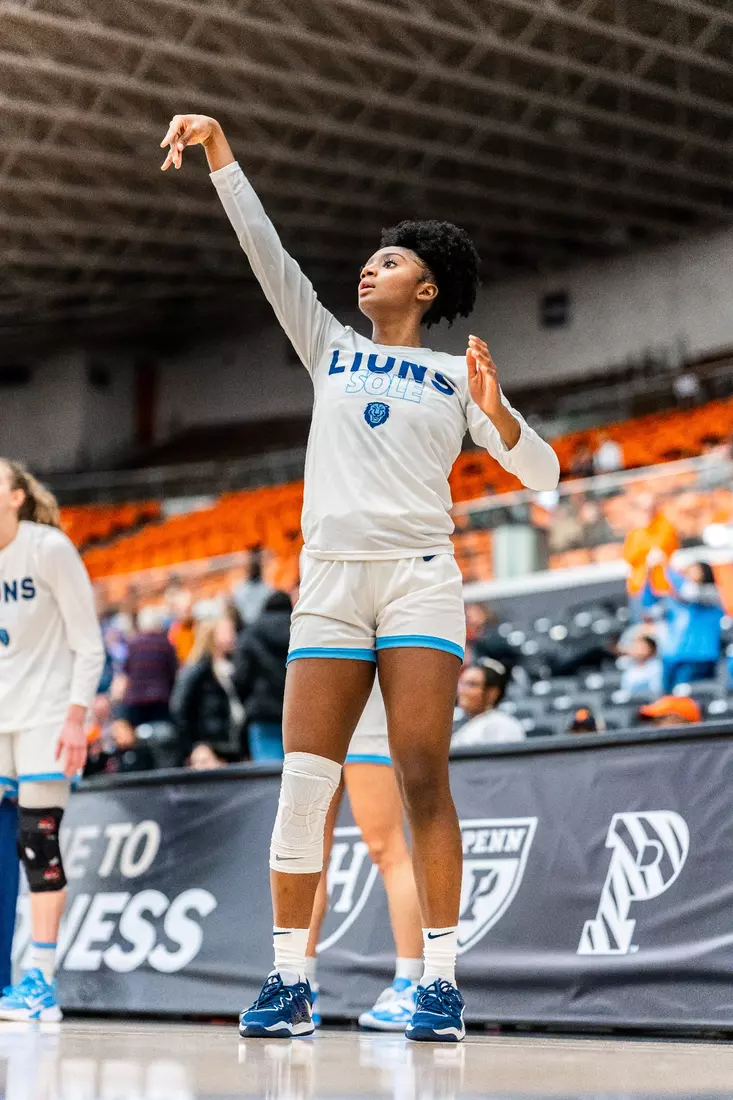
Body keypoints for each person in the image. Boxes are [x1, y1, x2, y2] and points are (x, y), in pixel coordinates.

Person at [161, 112, 558, 1043]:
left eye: (387, 263)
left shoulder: (459, 375)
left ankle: (442, 985)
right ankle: (289, 981)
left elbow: (541, 475)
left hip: (419, 580)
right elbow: (266, 251)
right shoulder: (330, 346)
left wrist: (498, 419)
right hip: (330, 583)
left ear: (425, 287)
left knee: (423, 772)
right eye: (366, 264)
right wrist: (220, 152)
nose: (367, 271)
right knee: (306, 779)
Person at [0, 459, 104, 1021]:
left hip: (45, 716)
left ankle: (41, 981)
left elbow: (89, 644)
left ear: (16, 496)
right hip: (2, 719)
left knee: (38, 844)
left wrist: (75, 719)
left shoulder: (49, 550)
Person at [306, 680, 423, 1032]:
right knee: (306, 850)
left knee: (386, 847)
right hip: (317, 681)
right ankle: (298, 981)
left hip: (366, 685)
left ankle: (410, 984)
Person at [173, 617, 245, 760]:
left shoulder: (232, 665)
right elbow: (179, 709)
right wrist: (193, 746)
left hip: (232, 745)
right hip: (210, 747)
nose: (233, 636)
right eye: (226, 631)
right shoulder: (198, 670)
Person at [234, 591, 292, 762]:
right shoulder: (302, 630)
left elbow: (240, 677)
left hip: (262, 714)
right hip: (298, 714)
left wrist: (248, 702)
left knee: (267, 778)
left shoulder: (251, 632)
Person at [651, 559, 724, 693]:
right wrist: (649, 573)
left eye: (695, 570)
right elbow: (650, 608)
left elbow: (690, 593)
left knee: (686, 700)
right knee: (667, 700)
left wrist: (664, 566)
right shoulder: (675, 599)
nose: (689, 573)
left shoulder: (711, 593)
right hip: (672, 656)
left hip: (698, 657)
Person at [119, 606, 178, 729]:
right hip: (160, 699)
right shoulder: (166, 644)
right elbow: (173, 673)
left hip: (136, 700)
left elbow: (126, 673)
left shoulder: (132, 644)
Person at [451, 660, 526, 747]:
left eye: (471, 684)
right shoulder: (468, 726)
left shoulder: (503, 725)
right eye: (461, 683)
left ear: (492, 693)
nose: (461, 690)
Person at [84, 710, 157, 776]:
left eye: (121, 731)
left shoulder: (143, 751)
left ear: (130, 730)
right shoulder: (111, 756)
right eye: (115, 732)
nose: (117, 735)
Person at [232, 548, 273, 627]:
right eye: (252, 566)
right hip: (246, 627)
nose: (253, 569)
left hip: (261, 626)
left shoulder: (267, 589)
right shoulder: (240, 589)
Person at [620, 634, 663, 699]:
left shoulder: (656, 667)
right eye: (635, 647)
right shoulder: (630, 665)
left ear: (651, 649)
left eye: (641, 647)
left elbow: (656, 691)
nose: (637, 650)